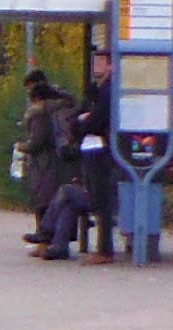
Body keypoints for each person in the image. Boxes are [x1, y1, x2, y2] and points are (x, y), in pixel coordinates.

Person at [38, 63, 117, 263]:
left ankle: (47, 233)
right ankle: (58, 245)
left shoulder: (108, 91)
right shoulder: (101, 92)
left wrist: (81, 124)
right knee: (71, 199)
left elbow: (94, 121)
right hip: (94, 150)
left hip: (98, 151)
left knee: (76, 195)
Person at [17, 71, 73, 247]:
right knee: (56, 199)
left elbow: (37, 141)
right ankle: (54, 240)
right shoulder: (62, 105)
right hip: (62, 160)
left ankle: (45, 239)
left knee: (43, 199)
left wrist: (21, 146)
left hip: (44, 163)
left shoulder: (40, 112)